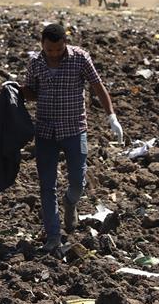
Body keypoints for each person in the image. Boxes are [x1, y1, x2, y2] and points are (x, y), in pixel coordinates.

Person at [19, 24, 123, 252]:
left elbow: (97, 86)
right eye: (49, 50)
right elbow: (32, 92)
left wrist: (111, 116)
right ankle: (53, 236)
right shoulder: (36, 62)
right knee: (47, 186)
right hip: (45, 131)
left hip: (74, 129)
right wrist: (17, 90)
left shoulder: (80, 59)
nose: (54, 54)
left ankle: (70, 202)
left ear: (65, 43)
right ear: (42, 46)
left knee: (78, 180)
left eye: (58, 50)